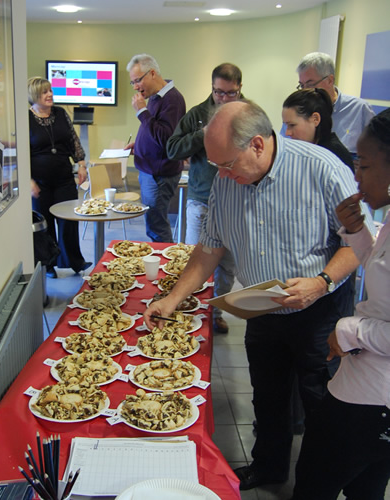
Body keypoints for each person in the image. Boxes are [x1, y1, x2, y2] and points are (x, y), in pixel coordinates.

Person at [144, 100, 373, 491]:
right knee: (267, 397)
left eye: (228, 164)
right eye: (217, 166)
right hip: (261, 307)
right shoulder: (226, 180)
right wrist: (173, 298)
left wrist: (320, 281)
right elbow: (209, 248)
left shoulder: (321, 168)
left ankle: (314, 486)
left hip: (319, 310)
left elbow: (360, 244)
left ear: (257, 145)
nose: (223, 174)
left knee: (320, 402)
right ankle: (268, 467)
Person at [292, 109, 390, 500]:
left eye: (364, 165)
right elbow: (380, 270)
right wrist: (356, 232)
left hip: (372, 398)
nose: (356, 176)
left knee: (316, 483)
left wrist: (347, 329)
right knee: (367, 486)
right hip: (366, 381)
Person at [166, 63, 245, 334]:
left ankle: (216, 312)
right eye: (218, 92)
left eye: (230, 94)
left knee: (228, 265)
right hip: (201, 197)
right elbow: (173, 149)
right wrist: (203, 134)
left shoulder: (249, 114)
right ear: (211, 88)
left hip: (237, 202)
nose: (223, 99)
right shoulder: (198, 113)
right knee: (193, 260)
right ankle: (189, 309)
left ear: (240, 89)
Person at [27, 76, 91, 277]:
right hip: (40, 182)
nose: (49, 95)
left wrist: (81, 164)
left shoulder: (61, 113)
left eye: (50, 91)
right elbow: (22, 152)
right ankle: (48, 265)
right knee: (45, 224)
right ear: (34, 96)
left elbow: (73, 141)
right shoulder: (25, 118)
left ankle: (74, 262)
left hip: (64, 177)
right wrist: (28, 180)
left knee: (68, 220)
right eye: (44, 92)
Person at [125, 54, 186, 243]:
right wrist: (141, 144)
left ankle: (166, 268)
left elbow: (167, 139)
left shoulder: (172, 99)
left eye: (137, 81)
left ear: (152, 74)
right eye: (132, 83)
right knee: (154, 224)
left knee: (156, 227)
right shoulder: (154, 97)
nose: (135, 87)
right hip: (149, 170)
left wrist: (142, 112)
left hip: (159, 174)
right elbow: (155, 129)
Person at [296, 52, 375, 157]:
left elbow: (378, 153)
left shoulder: (360, 109)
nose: (305, 91)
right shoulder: (297, 110)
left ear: (330, 80)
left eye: (310, 84)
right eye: (302, 85)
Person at [282, 88, 354, 170]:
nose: (287, 133)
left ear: (315, 119)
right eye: (286, 126)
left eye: (292, 125)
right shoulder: (308, 149)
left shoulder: (332, 155)